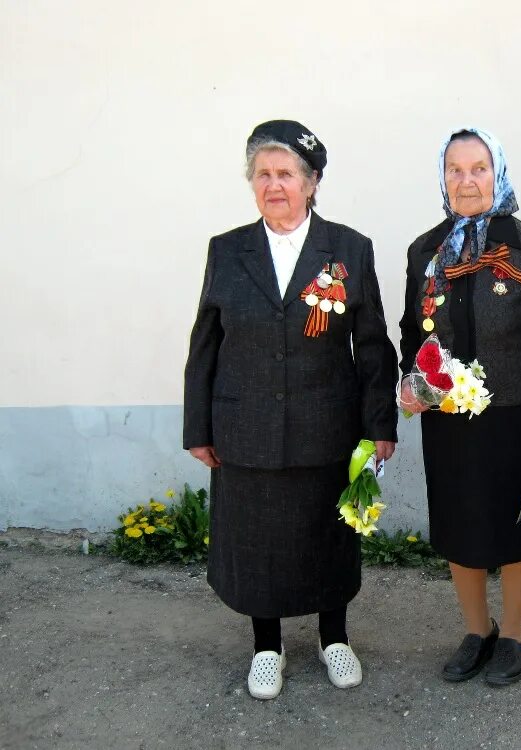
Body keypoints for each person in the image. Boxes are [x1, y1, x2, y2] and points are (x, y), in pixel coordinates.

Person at [183, 120, 398, 700]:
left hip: (327, 426)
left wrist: (380, 424)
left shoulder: (349, 248)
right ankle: (267, 647)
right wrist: (197, 427)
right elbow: (205, 342)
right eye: (263, 174)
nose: (273, 185)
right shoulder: (228, 250)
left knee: (327, 536)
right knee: (256, 543)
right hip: (245, 426)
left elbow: (373, 344)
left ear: (312, 182)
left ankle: (334, 637)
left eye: (285, 174)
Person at [398, 127, 521, 685]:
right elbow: (411, 330)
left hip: (517, 416)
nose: (466, 180)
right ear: (442, 178)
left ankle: (515, 633)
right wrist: (412, 382)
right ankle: (477, 630)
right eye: (455, 170)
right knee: (459, 523)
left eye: (478, 168)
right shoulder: (425, 251)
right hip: (448, 418)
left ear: (498, 174)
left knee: (517, 524)